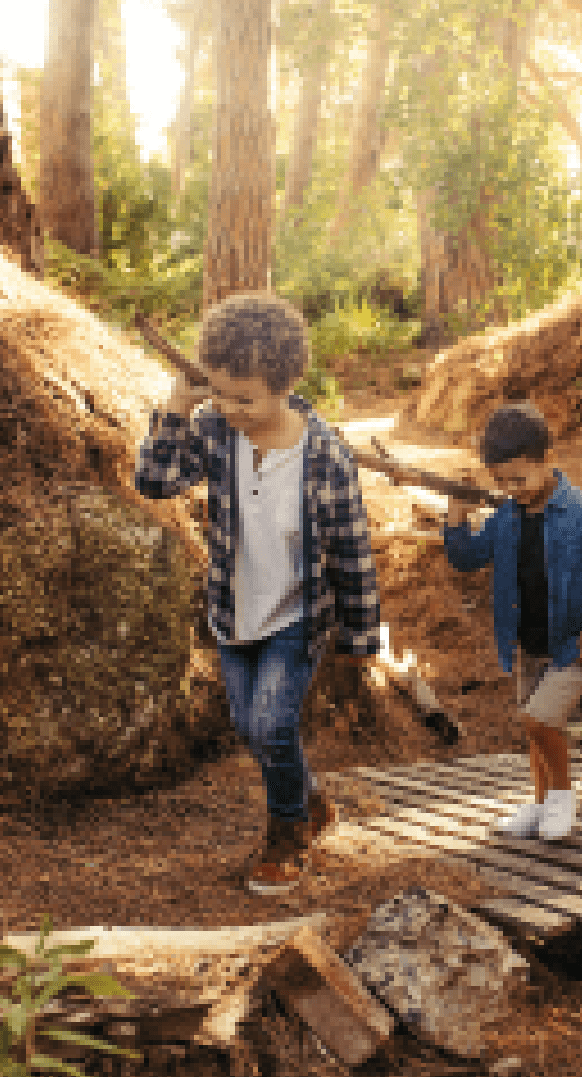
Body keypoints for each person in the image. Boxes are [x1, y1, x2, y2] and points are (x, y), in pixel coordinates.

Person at [133, 292, 381, 895]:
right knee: (249, 726)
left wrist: (360, 638)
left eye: (245, 398)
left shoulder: (325, 456)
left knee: (272, 726)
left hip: (297, 616)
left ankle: (286, 838)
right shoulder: (216, 431)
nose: (230, 408)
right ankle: (309, 798)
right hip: (233, 609)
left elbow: (352, 551)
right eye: (220, 393)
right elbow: (155, 480)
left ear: (286, 384)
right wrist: (176, 409)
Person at [443, 402, 582, 840]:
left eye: (520, 478)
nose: (513, 489)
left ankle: (562, 800)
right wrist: (457, 513)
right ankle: (542, 801)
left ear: (549, 459)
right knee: (535, 728)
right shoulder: (506, 518)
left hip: (575, 645)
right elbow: (465, 557)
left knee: (538, 719)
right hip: (528, 644)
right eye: (502, 482)